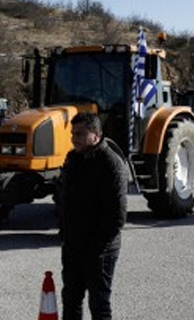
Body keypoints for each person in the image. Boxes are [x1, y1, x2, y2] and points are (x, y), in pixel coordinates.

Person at [59, 112, 128, 320]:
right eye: (72, 134)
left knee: (99, 304)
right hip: (73, 246)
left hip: (100, 250)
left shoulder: (111, 164)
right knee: (71, 300)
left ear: (96, 135)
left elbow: (116, 217)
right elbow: (65, 199)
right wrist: (66, 234)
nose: (74, 139)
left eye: (80, 134)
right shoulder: (74, 159)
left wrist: (94, 248)